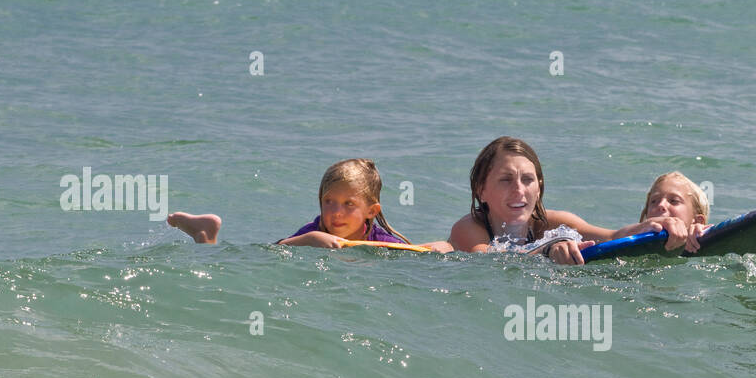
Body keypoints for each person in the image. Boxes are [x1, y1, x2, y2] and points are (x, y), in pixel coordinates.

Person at [448, 137, 690, 264]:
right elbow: (488, 260)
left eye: (528, 180)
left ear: (539, 187)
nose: (519, 190)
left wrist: (647, 227)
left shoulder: (552, 223)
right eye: (506, 180)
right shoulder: (468, 229)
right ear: (481, 190)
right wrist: (546, 250)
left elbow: (610, 237)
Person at [167, 158, 451, 251]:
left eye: (348, 204)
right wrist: (308, 239)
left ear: (371, 212)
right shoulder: (315, 231)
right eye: (329, 201)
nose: (335, 212)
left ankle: (203, 236)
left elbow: (413, 259)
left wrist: (441, 249)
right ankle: (205, 236)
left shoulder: (382, 241)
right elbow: (273, 253)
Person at [639, 171, 711, 254]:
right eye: (654, 201)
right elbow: (620, 234)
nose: (661, 205)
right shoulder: (631, 237)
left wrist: (702, 233)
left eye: (674, 201)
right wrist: (640, 229)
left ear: (698, 221)